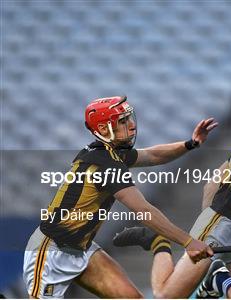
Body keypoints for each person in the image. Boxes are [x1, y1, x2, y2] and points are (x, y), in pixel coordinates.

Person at [23, 96, 216, 298]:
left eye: (129, 118)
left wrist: (190, 144)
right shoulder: (104, 163)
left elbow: (152, 155)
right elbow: (144, 211)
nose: (132, 126)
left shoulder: (111, 152)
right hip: (51, 253)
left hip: (84, 249)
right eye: (123, 121)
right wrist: (189, 242)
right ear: (104, 129)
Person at [112, 86, 231, 299]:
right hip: (225, 223)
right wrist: (208, 229)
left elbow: (214, 180)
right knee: (166, 296)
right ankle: (159, 243)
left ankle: (219, 279)